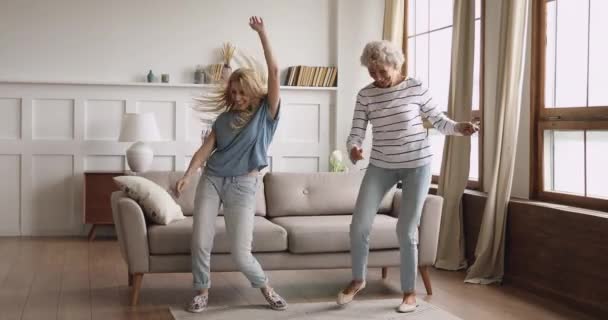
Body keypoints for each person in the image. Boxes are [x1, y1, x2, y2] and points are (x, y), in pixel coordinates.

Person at [337, 40, 478, 313]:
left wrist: (460, 128)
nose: (377, 77)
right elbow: (356, 132)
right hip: (380, 165)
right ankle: (358, 279)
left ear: (396, 64)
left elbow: (439, 121)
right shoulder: (366, 95)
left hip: (417, 164)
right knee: (359, 225)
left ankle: (410, 293)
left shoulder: (415, 87)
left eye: (382, 71)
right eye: (372, 72)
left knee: (406, 229)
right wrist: (354, 149)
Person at [175, 16, 287, 313]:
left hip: (244, 184)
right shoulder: (223, 120)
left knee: (240, 252)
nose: (236, 97)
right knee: (200, 240)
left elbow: (274, 71)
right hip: (212, 179)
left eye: (241, 92)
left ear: (252, 90)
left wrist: (263, 32)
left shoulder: (267, 113)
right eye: (232, 92)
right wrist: (189, 174)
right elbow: (204, 150)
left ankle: (265, 286)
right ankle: (201, 290)